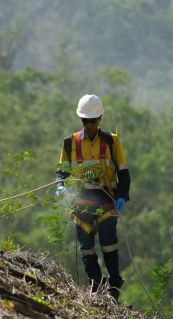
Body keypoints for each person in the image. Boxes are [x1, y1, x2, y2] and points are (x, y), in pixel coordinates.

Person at [55, 93, 131, 301]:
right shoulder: (70, 143)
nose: (89, 125)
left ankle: (114, 283)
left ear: (100, 119)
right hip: (81, 200)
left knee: (109, 243)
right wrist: (61, 187)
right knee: (86, 247)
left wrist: (123, 196)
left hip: (106, 198)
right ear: (81, 120)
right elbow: (62, 172)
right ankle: (95, 284)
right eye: (85, 121)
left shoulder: (111, 141)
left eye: (93, 121)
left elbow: (123, 172)